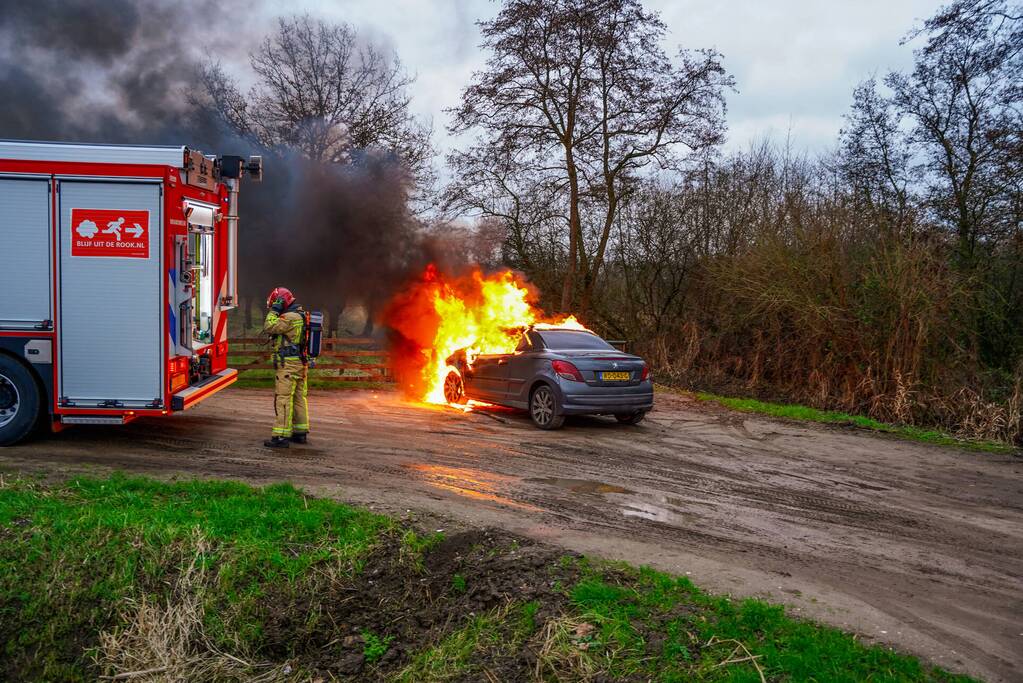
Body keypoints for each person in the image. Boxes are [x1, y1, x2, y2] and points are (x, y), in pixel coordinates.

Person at [262, 286, 310, 448]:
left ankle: (280, 436)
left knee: (283, 398)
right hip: (301, 363)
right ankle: (300, 433)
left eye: (276, 302)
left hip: (288, 365)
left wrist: (274, 311)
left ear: (281, 301)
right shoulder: (302, 315)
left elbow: (269, 326)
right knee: (299, 398)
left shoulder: (289, 317)